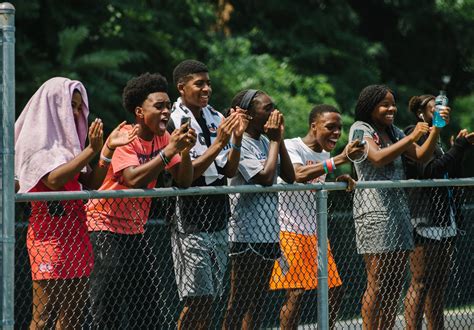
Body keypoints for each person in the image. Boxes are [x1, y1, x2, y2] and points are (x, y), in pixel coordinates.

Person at [14, 77, 138, 329]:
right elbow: (53, 180)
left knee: (72, 314)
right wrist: (90, 151)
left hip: (78, 234)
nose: (76, 111)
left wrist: (106, 151)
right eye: (70, 104)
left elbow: (92, 182)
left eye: (79, 106)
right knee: (43, 316)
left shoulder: (70, 148)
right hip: (48, 237)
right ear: (53, 105)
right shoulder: (37, 146)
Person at [86, 72, 196, 328]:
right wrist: (168, 153)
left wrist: (185, 152)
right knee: (106, 307)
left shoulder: (164, 138)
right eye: (159, 106)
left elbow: (184, 180)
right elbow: (133, 179)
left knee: (147, 307)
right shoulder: (126, 136)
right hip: (103, 227)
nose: (167, 111)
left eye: (168, 105)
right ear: (139, 111)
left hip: (135, 230)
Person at [348, 84, 448, 330]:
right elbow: (378, 159)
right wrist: (411, 138)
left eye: (393, 103)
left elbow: (423, 155)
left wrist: (436, 126)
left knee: (394, 282)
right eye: (385, 104)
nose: (391, 108)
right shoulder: (360, 129)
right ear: (370, 107)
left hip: (399, 211)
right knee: (377, 281)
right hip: (375, 211)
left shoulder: (393, 131)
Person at [167, 59, 249, 330]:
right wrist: (219, 144)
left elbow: (228, 169)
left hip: (218, 214)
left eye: (208, 83)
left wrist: (235, 139)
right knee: (197, 298)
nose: (206, 89)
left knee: (210, 298)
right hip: (190, 216)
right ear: (182, 87)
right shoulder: (175, 120)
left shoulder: (216, 116)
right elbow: (186, 178)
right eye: (199, 83)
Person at [269, 104, 365, 330]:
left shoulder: (324, 152)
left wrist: (338, 181)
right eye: (330, 127)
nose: (337, 133)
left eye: (339, 128)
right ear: (314, 126)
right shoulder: (292, 145)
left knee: (335, 291)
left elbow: (316, 181)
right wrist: (339, 159)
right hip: (288, 231)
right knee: (296, 293)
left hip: (315, 232)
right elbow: (298, 175)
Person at [223, 89, 295, 330]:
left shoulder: (266, 141)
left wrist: (278, 139)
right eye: (268, 108)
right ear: (249, 114)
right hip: (245, 233)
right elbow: (264, 177)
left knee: (257, 302)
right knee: (239, 300)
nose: (274, 112)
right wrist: (275, 140)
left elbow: (289, 176)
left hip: (268, 231)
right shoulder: (239, 142)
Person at [403, 94, 474, 330]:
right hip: (424, 217)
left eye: (442, 108)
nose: (440, 111)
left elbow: (448, 173)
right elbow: (429, 170)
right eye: (434, 109)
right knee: (420, 282)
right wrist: (457, 148)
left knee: (438, 284)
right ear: (421, 114)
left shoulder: (439, 140)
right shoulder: (415, 133)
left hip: (445, 215)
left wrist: (459, 149)